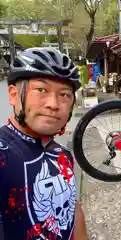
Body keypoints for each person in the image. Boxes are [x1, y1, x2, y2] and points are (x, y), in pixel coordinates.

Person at [0, 47, 88, 240]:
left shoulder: (62, 155)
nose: (54, 104)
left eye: (64, 95)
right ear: (14, 95)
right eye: (41, 90)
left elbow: (73, 211)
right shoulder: (3, 154)